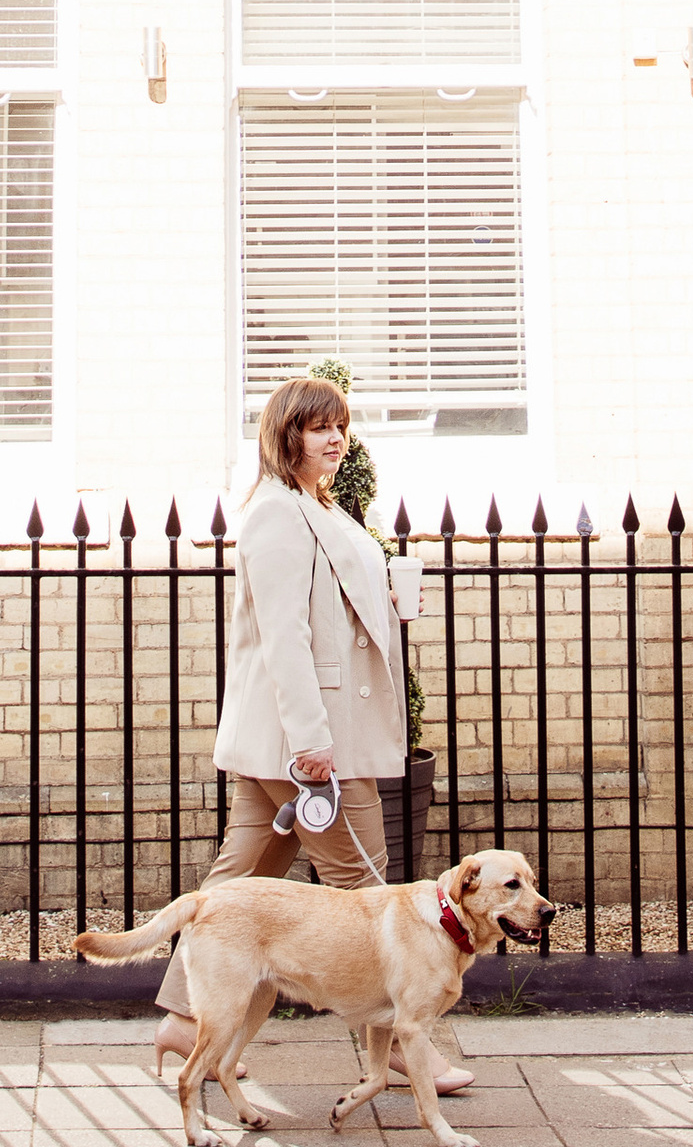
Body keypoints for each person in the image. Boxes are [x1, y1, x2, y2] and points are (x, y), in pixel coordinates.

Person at [155, 371, 469, 1095]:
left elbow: (326, 606)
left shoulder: (311, 505)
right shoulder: (276, 513)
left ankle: (182, 1019)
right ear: (285, 434)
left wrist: (384, 594)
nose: (334, 437)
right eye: (317, 426)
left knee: (242, 880)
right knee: (368, 891)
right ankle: (395, 1048)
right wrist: (310, 743)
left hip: (284, 742)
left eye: (340, 425)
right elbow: (283, 636)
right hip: (306, 742)